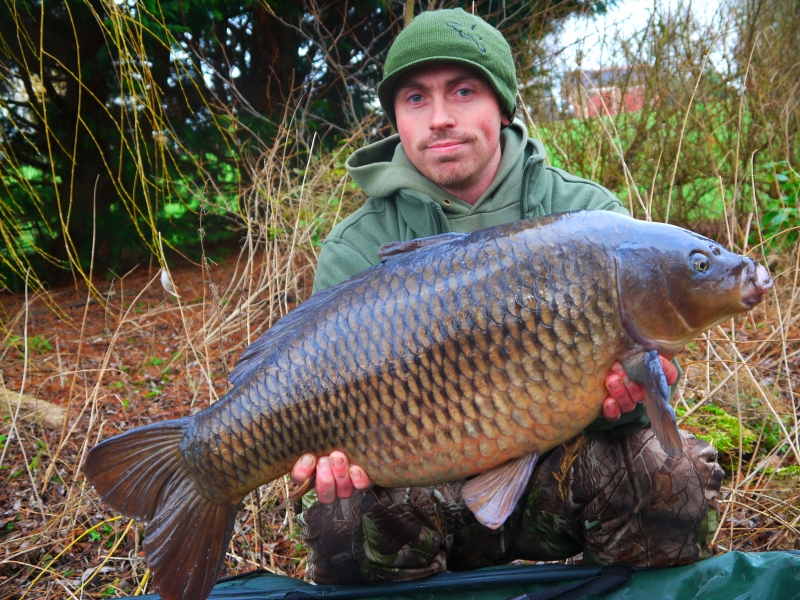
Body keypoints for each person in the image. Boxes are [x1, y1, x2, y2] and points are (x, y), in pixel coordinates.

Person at [288, 8, 723, 585]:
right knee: (341, 521)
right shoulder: (356, 247)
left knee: (674, 476)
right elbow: (319, 407)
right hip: (421, 480)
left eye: (463, 91)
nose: (440, 118)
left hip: (559, 473)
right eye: (415, 99)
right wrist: (323, 462)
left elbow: (644, 402)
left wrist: (636, 397)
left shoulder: (589, 217)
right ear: (395, 117)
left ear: (503, 105)